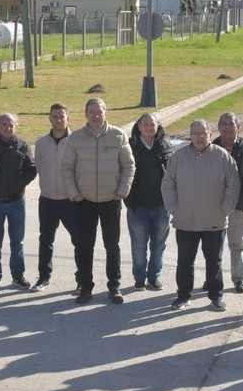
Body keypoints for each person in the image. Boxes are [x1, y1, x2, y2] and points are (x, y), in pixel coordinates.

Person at [61, 98, 135, 305]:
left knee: (112, 245)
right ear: (86, 114)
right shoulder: (75, 138)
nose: (96, 114)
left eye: (99, 110)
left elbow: (129, 166)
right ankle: (85, 286)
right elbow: (67, 168)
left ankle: (114, 286)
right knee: (84, 246)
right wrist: (74, 193)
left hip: (110, 200)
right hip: (83, 200)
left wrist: (122, 191)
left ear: (106, 112)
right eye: (91, 111)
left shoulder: (118, 136)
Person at [161, 120, 239, 311]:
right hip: (185, 221)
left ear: (210, 135)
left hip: (215, 220)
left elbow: (233, 185)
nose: (199, 137)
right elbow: (167, 184)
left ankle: (216, 296)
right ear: (190, 135)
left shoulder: (222, 157)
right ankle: (183, 296)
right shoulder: (178, 157)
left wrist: (224, 209)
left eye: (203, 133)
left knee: (214, 261)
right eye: (195, 133)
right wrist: (175, 209)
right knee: (185, 261)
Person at [0, 113, 37, 290]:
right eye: (4, 124)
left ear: (16, 126)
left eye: (11, 124)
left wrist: (18, 183)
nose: (8, 127)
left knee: (17, 241)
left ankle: (18, 275)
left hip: (17, 202)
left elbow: (31, 170)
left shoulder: (22, 145)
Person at [126, 113, 173, 292]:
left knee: (158, 245)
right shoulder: (131, 146)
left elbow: (173, 173)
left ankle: (154, 277)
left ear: (157, 126)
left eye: (152, 124)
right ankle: (139, 278)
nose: (148, 127)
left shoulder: (164, 145)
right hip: (137, 206)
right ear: (138, 127)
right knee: (138, 245)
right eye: (145, 124)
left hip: (161, 206)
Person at [32, 103, 75, 292]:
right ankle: (43, 277)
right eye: (54, 116)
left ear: (67, 118)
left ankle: (82, 279)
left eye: (61, 116)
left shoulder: (76, 141)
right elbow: (40, 167)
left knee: (80, 240)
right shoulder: (41, 143)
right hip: (48, 199)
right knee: (46, 239)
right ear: (49, 118)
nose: (58, 120)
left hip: (71, 199)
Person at [212, 112, 243, 293]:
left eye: (231, 124)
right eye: (224, 123)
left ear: (238, 127)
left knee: (237, 244)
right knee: (213, 246)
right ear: (218, 127)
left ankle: (239, 278)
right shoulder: (211, 148)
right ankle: (213, 278)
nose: (227, 127)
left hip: (238, 206)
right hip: (215, 206)